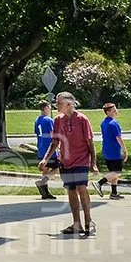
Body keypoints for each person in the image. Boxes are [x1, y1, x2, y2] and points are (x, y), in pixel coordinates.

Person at [39, 92, 97, 238]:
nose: (56, 106)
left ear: (69, 104)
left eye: (59, 103)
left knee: (81, 188)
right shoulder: (58, 120)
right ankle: (76, 223)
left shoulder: (82, 119)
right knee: (71, 190)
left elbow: (90, 142)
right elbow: (55, 142)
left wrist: (93, 163)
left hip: (81, 160)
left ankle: (88, 221)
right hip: (66, 161)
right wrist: (45, 159)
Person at [97, 103, 127, 199]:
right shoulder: (114, 123)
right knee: (117, 172)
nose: (116, 111)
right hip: (114, 151)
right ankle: (99, 183)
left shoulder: (103, 122)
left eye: (115, 109)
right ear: (108, 112)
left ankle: (114, 193)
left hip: (106, 150)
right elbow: (118, 138)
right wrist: (125, 150)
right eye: (113, 110)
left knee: (113, 172)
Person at [34, 100, 58, 199]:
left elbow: (36, 133)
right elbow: (53, 135)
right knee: (57, 167)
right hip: (49, 149)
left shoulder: (37, 120)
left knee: (45, 169)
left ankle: (45, 192)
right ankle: (42, 182)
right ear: (46, 108)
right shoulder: (49, 120)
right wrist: (58, 147)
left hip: (41, 148)